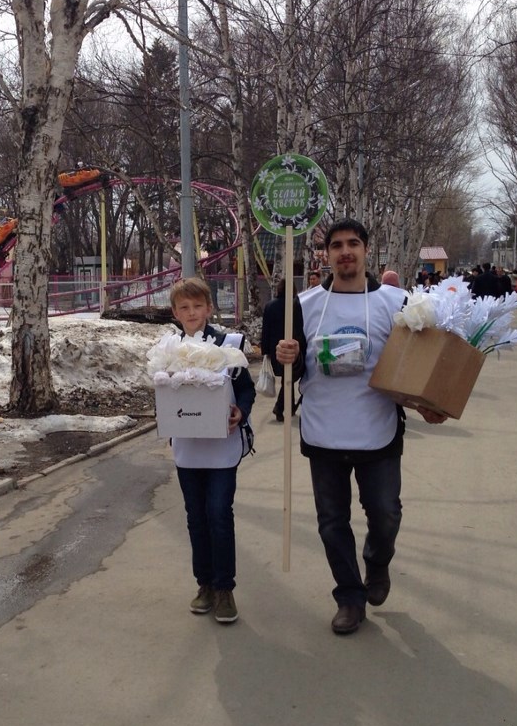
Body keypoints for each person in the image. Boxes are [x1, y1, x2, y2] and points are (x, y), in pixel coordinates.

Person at [274, 218, 446, 636]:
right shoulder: (305, 304)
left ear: (367, 251)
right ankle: (349, 597)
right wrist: (287, 357)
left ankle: (377, 562)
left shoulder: (396, 301)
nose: (345, 251)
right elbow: (291, 373)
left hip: (378, 430)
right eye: (336, 245)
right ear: (326, 254)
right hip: (323, 432)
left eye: (353, 243)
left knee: (386, 514)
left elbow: (415, 365)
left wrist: (431, 402)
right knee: (332, 522)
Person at [160, 277, 256, 624]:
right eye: (183, 307)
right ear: (175, 312)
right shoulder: (167, 350)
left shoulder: (229, 344)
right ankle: (204, 585)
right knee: (196, 518)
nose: (191, 313)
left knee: (218, 514)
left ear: (209, 308)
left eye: (197, 306)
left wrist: (239, 411)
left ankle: (225, 587)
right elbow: (164, 393)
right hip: (188, 450)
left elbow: (245, 389)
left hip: (221, 448)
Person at [261, 278, 304, 423]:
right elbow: (300, 328)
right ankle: (280, 408)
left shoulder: (270, 306)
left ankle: (289, 406)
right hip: (291, 347)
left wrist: (265, 350)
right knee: (289, 379)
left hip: (275, 348)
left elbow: (265, 329)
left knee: (288, 379)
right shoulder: (296, 305)